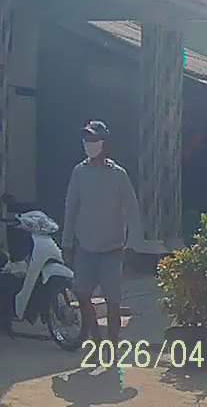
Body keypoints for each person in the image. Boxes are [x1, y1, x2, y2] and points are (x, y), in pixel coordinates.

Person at [62, 120, 142, 342]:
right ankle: (97, 338)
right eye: (86, 139)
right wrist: (67, 243)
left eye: (94, 139)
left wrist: (133, 244)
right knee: (82, 294)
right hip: (85, 249)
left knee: (113, 301)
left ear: (104, 143)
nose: (89, 144)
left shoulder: (118, 174)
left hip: (112, 250)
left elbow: (132, 210)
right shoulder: (79, 172)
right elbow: (71, 208)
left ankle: (112, 346)